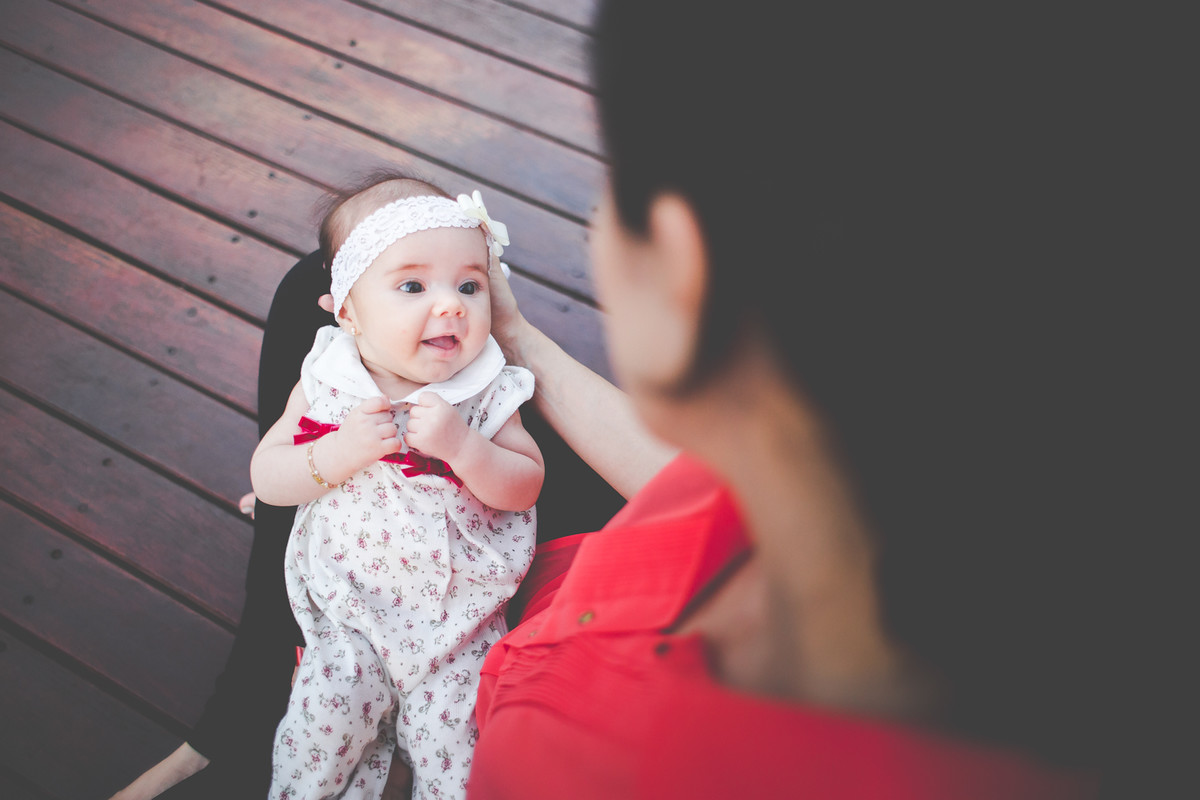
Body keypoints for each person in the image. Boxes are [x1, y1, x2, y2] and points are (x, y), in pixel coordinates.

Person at [452, 1, 1189, 798]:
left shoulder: (567, 765)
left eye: (609, 197)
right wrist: (520, 342)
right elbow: (698, 483)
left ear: (682, 280)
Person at [247, 175, 545, 800]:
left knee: (460, 763)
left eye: (469, 285)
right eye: (413, 286)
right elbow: (268, 477)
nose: (451, 306)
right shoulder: (330, 380)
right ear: (348, 311)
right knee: (317, 739)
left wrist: (468, 449)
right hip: (348, 618)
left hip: (458, 626)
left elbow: (525, 485)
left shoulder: (485, 387)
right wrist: (335, 452)